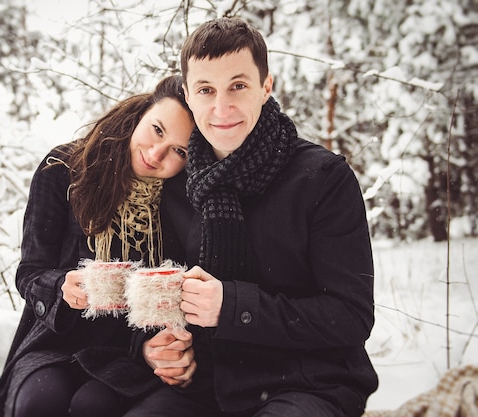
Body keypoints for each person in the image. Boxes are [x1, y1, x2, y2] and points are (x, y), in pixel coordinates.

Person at [127, 17, 378, 417]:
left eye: (238, 86)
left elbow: (350, 316)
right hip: (207, 385)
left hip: (308, 382)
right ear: (189, 96)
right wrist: (158, 346)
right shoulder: (177, 185)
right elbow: (163, 297)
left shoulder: (322, 178)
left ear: (266, 88)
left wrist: (231, 306)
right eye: (206, 90)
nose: (221, 107)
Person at [0, 75, 197, 417]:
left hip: (126, 353)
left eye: (179, 150)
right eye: (157, 130)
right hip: (54, 342)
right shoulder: (64, 171)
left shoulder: (179, 203)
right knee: (41, 403)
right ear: (141, 114)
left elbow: (169, 300)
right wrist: (61, 286)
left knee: (94, 407)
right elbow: (30, 272)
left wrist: (155, 348)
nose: (157, 153)